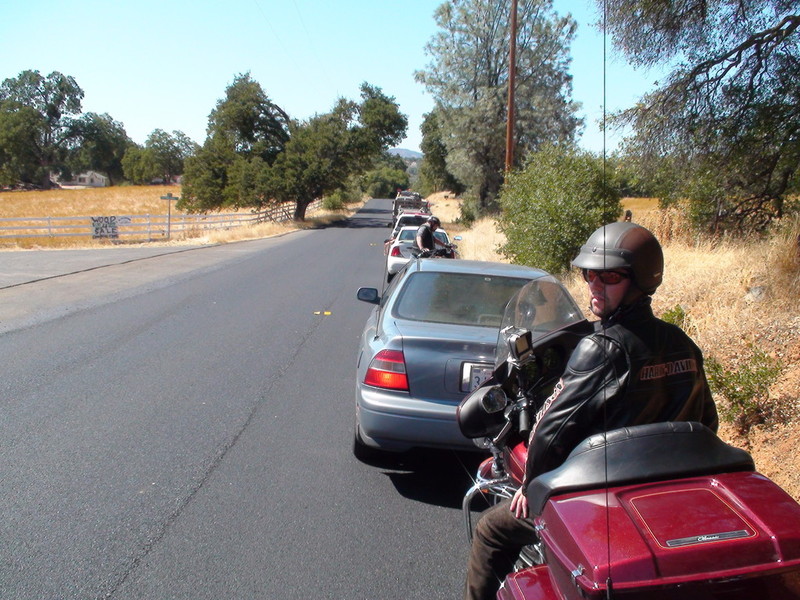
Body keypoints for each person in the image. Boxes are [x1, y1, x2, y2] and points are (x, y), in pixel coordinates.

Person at [464, 222, 719, 600]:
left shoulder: (601, 349)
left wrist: (532, 483)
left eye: (610, 276)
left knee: (490, 530)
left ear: (640, 280)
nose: (595, 285)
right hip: (666, 499)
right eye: (589, 274)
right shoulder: (682, 343)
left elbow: (550, 430)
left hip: (603, 502)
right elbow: (708, 421)